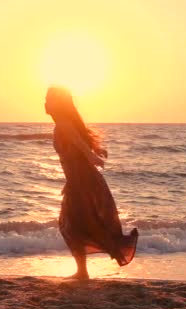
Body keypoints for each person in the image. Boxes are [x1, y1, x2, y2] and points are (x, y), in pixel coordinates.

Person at [45, 86, 138, 280]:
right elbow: (78, 142)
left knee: (73, 224)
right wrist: (94, 152)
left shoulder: (63, 123)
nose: (45, 102)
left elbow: (78, 144)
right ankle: (84, 270)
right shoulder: (66, 123)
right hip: (79, 180)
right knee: (77, 224)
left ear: (58, 104)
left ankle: (84, 271)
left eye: (50, 98)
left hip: (83, 181)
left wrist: (92, 155)